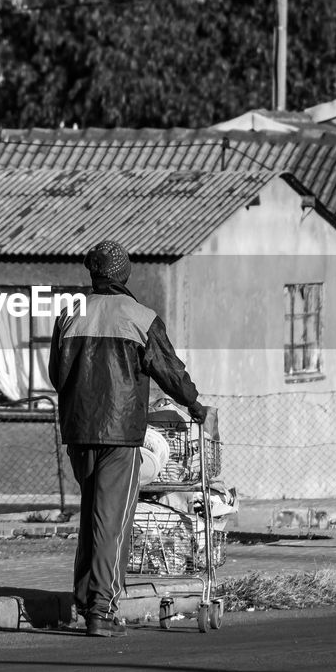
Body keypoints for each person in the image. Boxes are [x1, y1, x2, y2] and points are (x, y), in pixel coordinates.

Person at [49, 239, 207, 637]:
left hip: (79, 432)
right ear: (125, 274)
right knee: (113, 522)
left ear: (93, 273)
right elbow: (170, 371)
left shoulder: (70, 314)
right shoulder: (140, 317)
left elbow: (57, 374)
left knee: (92, 516)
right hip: (119, 435)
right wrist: (194, 404)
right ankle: (101, 610)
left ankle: (86, 600)